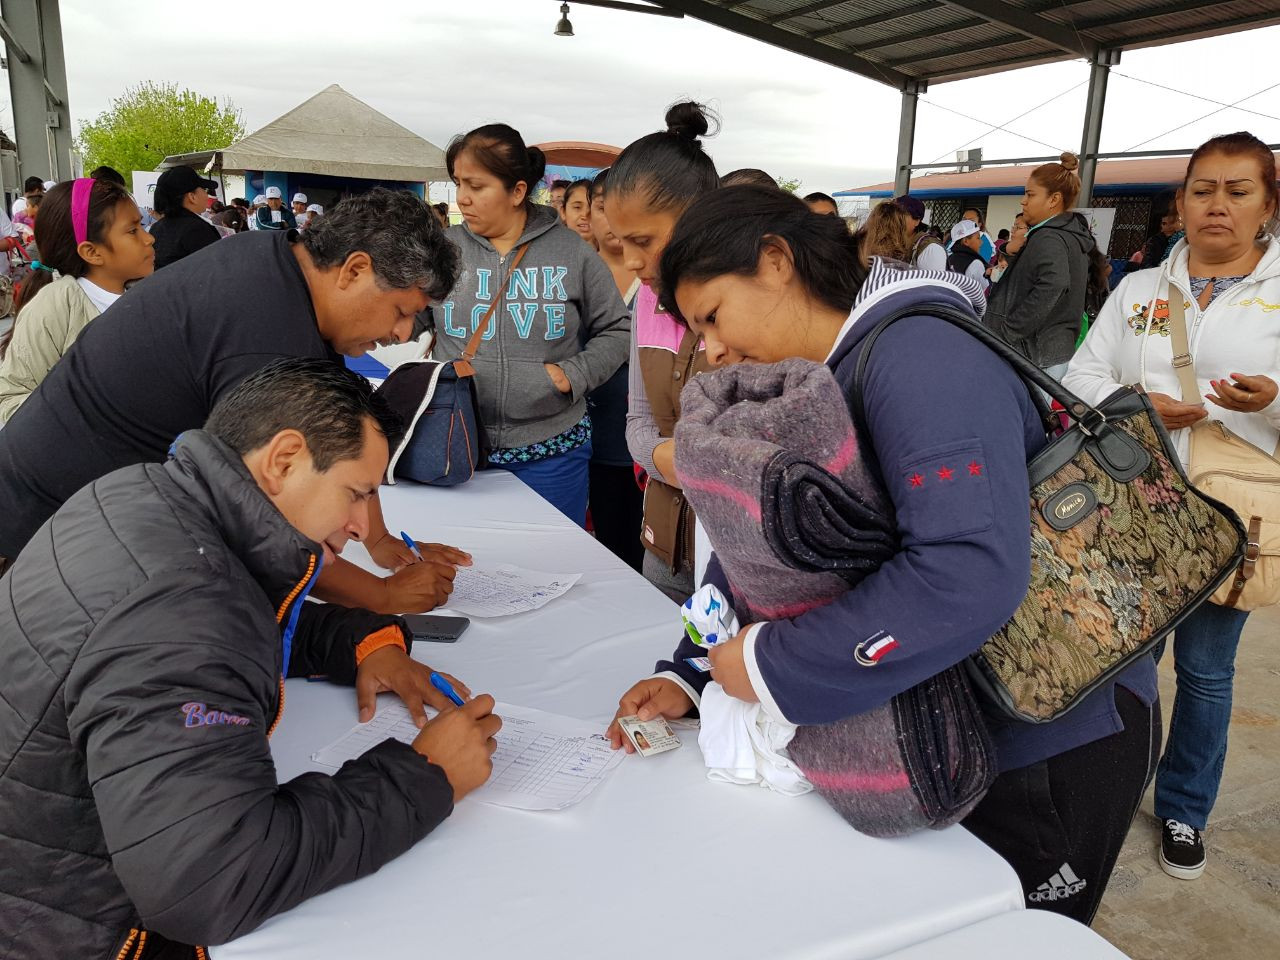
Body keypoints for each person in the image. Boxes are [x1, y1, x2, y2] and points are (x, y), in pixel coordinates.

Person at [607, 185, 1159, 925]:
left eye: (711, 318)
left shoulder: (923, 357)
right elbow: (761, 539)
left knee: (997, 934)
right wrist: (695, 665)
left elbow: (966, 572)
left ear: (775, 262)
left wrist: (771, 667)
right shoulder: (815, 376)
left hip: (1048, 730)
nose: (711, 350)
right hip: (941, 715)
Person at [0, 358, 502, 959]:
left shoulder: (143, 493)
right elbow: (211, 881)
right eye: (357, 493)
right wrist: (424, 778)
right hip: (69, 925)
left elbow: (246, 611)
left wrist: (364, 642)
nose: (360, 525)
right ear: (283, 460)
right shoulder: (187, 608)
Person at [0, 188, 466, 617]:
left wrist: (380, 540)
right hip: (44, 530)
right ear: (355, 270)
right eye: (403, 311)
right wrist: (380, 595)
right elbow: (258, 521)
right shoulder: (263, 335)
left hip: (85, 512)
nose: (403, 333)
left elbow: (339, 435)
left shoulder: (282, 265)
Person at [1064, 131, 1280, 883]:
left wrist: (1273, 402)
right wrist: (1132, 403)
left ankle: (1186, 807)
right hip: (1136, 507)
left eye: (1238, 191)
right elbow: (1081, 373)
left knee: (1208, 671)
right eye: (1202, 189)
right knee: (1126, 661)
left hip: (1230, 510)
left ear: (1267, 206)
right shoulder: (1138, 291)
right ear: (1180, 202)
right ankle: (1113, 789)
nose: (1217, 205)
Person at [436, 123, 629, 526]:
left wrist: (573, 373)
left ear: (518, 191)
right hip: (458, 445)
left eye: (476, 185)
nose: (463, 198)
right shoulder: (443, 250)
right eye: (458, 183)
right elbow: (405, 313)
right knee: (466, 569)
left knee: (554, 567)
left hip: (552, 455)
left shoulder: (572, 252)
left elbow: (618, 328)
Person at [603, 101, 720, 601]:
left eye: (643, 240)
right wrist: (664, 458)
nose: (631, 262)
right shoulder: (649, 298)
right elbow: (636, 420)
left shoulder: (751, 309)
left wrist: (686, 460)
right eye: (620, 241)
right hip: (664, 543)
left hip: (729, 553)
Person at [0, 178, 154, 421]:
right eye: (133, 230)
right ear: (91, 252)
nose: (149, 239)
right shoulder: (55, 305)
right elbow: (11, 399)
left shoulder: (151, 295)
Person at [984, 153, 1096, 377]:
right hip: (1049, 351)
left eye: (1030, 194)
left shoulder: (1049, 237)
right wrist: (1014, 252)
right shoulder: (1065, 234)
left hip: (1034, 355)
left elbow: (1053, 283)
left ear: (1053, 199)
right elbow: (1031, 277)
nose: (1023, 201)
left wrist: (1009, 330)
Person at [586, 168, 643, 571]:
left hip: (650, 455)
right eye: (603, 208)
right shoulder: (574, 275)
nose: (612, 219)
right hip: (591, 444)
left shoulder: (656, 277)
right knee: (604, 555)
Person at [149, 166, 221, 269]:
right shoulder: (197, 230)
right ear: (192, 197)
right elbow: (217, 269)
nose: (206, 195)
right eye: (204, 189)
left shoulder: (156, 228)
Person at [893, 195, 946, 271]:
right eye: (892, 216)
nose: (894, 220)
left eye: (901, 216)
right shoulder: (897, 243)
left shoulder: (931, 248)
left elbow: (934, 282)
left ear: (917, 221)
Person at [948, 218, 989, 291]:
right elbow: (983, 292)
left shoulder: (949, 258)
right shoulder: (976, 263)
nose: (981, 242)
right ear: (966, 241)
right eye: (978, 238)